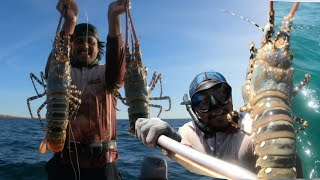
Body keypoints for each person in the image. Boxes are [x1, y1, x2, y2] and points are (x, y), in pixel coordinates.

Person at [44, 0, 128, 179]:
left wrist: (114, 18)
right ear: (71, 46)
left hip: (103, 164)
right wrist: (69, 24)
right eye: (79, 41)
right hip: (64, 160)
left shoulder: (107, 73)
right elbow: (52, 71)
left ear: (99, 48)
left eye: (91, 42)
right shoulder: (64, 71)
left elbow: (118, 67)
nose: (85, 46)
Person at [135, 70, 256, 172]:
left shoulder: (252, 126)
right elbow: (181, 144)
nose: (215, 105)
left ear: (230, 97)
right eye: (202, 101)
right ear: (194, 110)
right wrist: (170, 138)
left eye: (221, 95)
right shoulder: (189, 131)